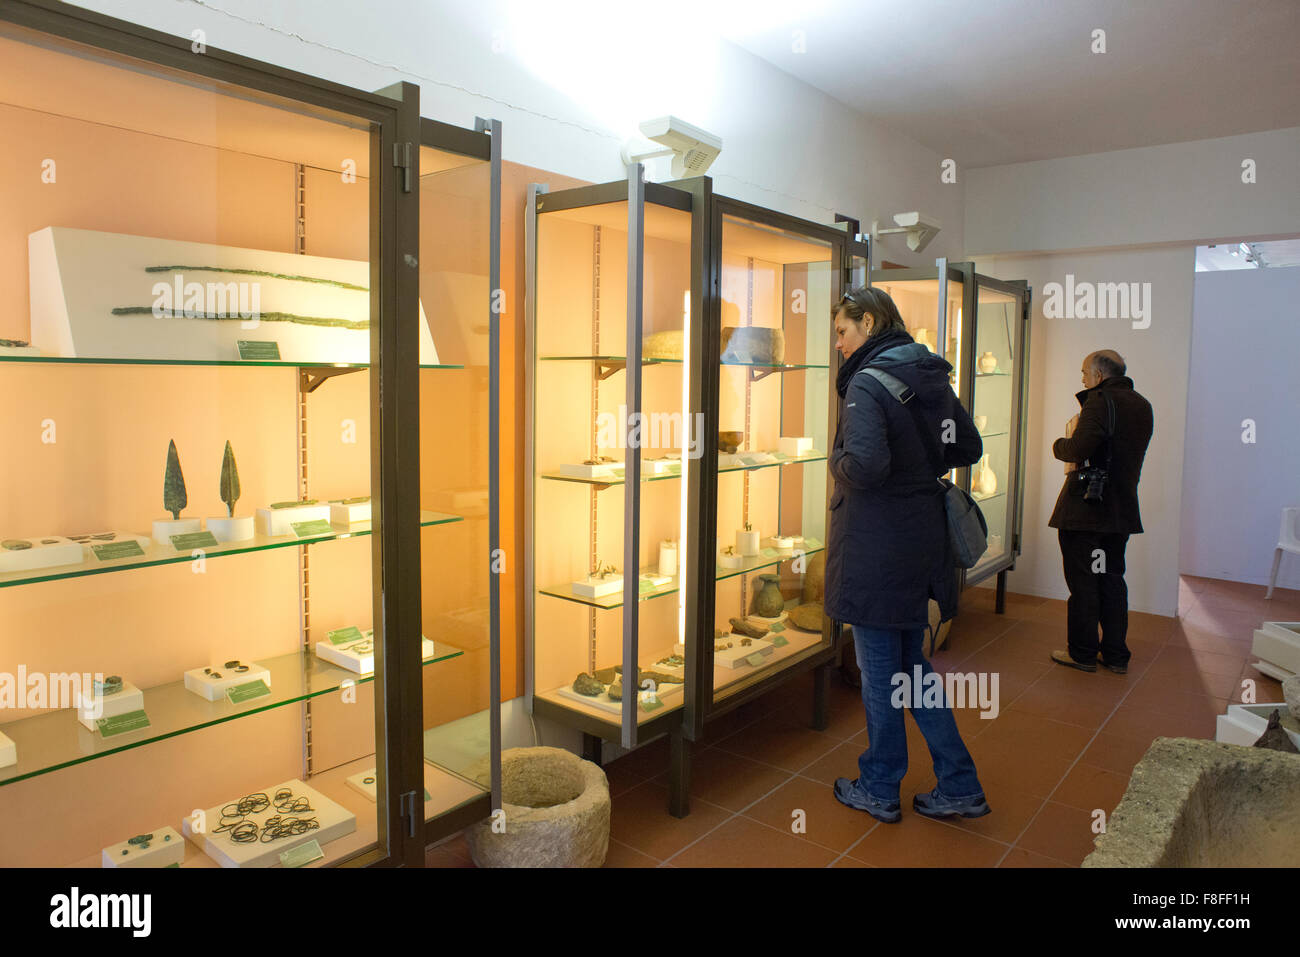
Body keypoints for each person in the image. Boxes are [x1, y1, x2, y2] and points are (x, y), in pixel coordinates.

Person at [825, 286, 989, 824]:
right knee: (909, 669)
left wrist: (837, 462)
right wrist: (918, 467)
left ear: (869, 324)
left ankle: (878, 784)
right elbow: (967, 448)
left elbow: (866, 466)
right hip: (918, 537)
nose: (840, 345)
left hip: (877, 543)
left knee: (880, 673)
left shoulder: (868, 384)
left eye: (844, 332)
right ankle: (959, 783)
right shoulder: (930, 374)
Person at [1049, 350, 1153, 674]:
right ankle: (1115, 655)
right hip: (1120, 510)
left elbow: (1079, 449)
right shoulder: (1142, 405)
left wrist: (1058, 444)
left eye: (1084, 373)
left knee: (1083, 583)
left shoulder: (1099, 401)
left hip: (1087, 510)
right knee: (1110, 579)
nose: (1082, 379)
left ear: (1098, 374)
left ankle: (1081, 653)